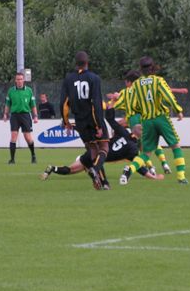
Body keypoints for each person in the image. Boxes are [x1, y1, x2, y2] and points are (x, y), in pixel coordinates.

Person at [42, 106, 163, 182]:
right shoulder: (133, 150)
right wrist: (154, 177)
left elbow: (110, 120)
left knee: (71, 169)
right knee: (74, 170)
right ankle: (100, 180)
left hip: (94, 149)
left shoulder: (123, 132)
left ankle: (52, 168)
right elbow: (140, 168)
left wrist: (111, 105)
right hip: (99, 158)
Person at [121, 57, 187, 184]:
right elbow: (168, 96)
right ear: (152, 67)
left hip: (146, 120)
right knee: (175, 146)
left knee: (146, 153)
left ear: (140, 69)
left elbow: (133, 105)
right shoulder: (158, 81)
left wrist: (134, 116)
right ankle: (181, 177)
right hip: (161, 118)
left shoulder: (136, 85)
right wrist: (178, 110)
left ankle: (129, 170)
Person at [60, 51, 110, 190]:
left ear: (76, 64)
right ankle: (95, 170)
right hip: (93, 119)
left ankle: (104, 183)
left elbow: (64, 104)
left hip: (80, 121)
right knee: (104, 148)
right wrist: (99, 125)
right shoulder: (94, 78)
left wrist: (66, 122)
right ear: (87, 62)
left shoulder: (68, 79)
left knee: (93, 150)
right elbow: (96, 104)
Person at [109, 69, 174, 175]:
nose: (125, 84)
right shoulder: (144, 89)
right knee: (151, 141)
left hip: (135, 119)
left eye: (126, 81)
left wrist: (113, 99)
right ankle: (164, 163)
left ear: (129, 82)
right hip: (148, 118)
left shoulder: (126, 92)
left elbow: (113, 106)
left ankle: (150, 167)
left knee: (141, 144)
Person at [3, 72, 39, 164]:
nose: (19, 81)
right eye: (17, 79)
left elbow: (33, 105)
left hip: (25, 115)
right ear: (15, 80)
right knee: (13, 136)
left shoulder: (29, 91)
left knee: (28, 138)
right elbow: (8, 104)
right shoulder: (11, 91)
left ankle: (33, 155)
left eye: (21, 79)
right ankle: (12, 159)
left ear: (23, 80)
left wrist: (35, 116)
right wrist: (5, 114)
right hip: (14, 115)